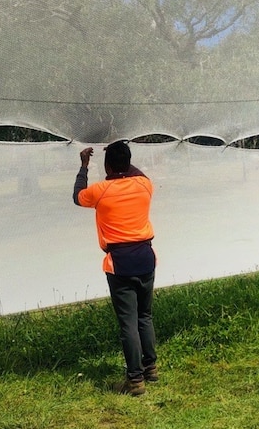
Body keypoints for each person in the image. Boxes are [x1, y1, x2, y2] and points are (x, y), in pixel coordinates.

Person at [73, 140, 158, 396]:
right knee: (145, 316)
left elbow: (78, 196)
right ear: (129, 162)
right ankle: (150, 368)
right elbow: (133, 171)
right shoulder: (145, 185)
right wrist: (119, 154)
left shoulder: (100, 191)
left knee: (128, 323)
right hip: (146, 257)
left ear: (107, 165)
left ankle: (135, 380)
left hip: (120, 263)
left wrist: (84, 166)